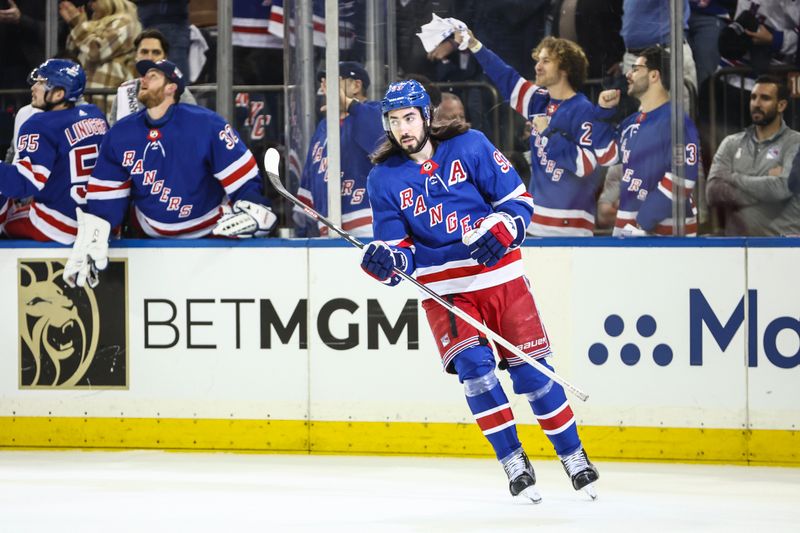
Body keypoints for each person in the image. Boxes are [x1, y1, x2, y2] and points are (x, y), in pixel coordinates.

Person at [360, 79, 599, 502]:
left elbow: (518, 201)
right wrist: (387, 263)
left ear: (427, 116)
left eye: (410, 117)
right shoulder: (383, 178)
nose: (403, 128)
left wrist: (503, 227)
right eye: (394, 121)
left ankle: (573, 455)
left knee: (531, 375)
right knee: (476, 374)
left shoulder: (470, 145)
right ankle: (512, 460)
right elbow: (400, 254)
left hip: (500, 278)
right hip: (446, 294)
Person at [62, 59, 276, 288]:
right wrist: (96, 234)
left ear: (171, 87)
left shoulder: (206, 125)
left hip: (211, 232)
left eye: (152, 76)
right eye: (143, 75)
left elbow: (243, 180)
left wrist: (253, 206)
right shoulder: (120, 134)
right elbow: (107, 198)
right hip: (149, 238)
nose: (142, 80)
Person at [456, 29, 604, 236]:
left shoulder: (583, 109)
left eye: (546, 61)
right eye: (538, 60)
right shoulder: (539, 100)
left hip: (570, 224)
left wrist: (548, 133)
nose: (538, 66)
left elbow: (586, 165)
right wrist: (474, 45)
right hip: (535, 221)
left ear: (565, 68)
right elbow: (505, 75)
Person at [593, 46, 701, 236]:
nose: (628, 74)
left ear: (654, 76)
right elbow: (605, 156)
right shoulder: (631, 123)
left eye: (635, 69)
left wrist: (642, 222)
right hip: (629, 229)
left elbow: (681, 180)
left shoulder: (677, 123)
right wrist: (603, 113)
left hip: (664, 236)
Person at [0, 59, 108, 243]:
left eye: (41, 83)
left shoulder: (38, 124)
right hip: (97, 221)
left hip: (60, 224)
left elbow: (25, 183)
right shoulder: (95, 115)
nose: (34, 87)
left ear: (59, 94)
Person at [294, 62, 383, 238]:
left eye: (335, 81)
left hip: (369, 222)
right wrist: (304, 231)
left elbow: (382, 137)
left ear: (356, 85)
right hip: (326, 227)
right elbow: (309, 182)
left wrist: (350, 105)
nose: (325, 86)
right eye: (324, 82)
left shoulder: (376, 112)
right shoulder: (323, 127)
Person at [706, 76, 800, 236]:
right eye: (753, 97)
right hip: (737, 247)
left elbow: (782, 188)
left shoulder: (795, 143)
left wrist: (734, 178)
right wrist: (764, 186)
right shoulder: (731, 143)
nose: (757, 103)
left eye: (765, 98)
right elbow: (712, 192)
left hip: (784, 246)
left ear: (781, 105)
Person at [60, 0, 141, 115]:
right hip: (86, 93)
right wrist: (79, 24)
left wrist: (78, 25)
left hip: (109, 93)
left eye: (94, 1)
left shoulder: (124, 22)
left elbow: (96, 51)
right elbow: (72, 49)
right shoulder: (90, 23)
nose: (90, 5)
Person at [108, 28, 197, 126]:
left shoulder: (178, 90)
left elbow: (193, 126)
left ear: (165, 58)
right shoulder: (125, 90)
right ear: (136, 56)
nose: (150, 58)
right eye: (144, 52)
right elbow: (113, 130)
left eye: (156, 52)